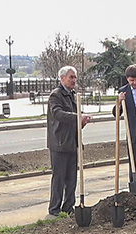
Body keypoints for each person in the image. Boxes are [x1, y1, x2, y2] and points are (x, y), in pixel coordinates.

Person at [46, 66, 91, 216]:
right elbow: (58, 114)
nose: (74, 80)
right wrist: (78, 117)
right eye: (71, 77)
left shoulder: (72, 95)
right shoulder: (56, 95)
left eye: (75, 77)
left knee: (72, 179)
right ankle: (54, 210)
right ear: (62, 78)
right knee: (59, 179)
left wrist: (82, 123)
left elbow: (73, 119)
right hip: (59, 144)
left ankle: (68, 208)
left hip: (72, 142)